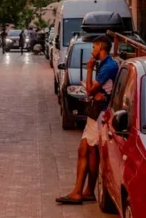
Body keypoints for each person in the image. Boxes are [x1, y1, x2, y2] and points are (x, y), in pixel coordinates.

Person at [56, 35, 119, 205]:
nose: (92, 51)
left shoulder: (108, 66)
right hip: (96, 113)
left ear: (101, 47)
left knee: (88, 150)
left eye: (94, 47)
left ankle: (80, 192)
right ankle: (87, 191)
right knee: (87, 150)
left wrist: (89, 70)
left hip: (99, 115)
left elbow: (91, 90)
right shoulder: (107, 64)